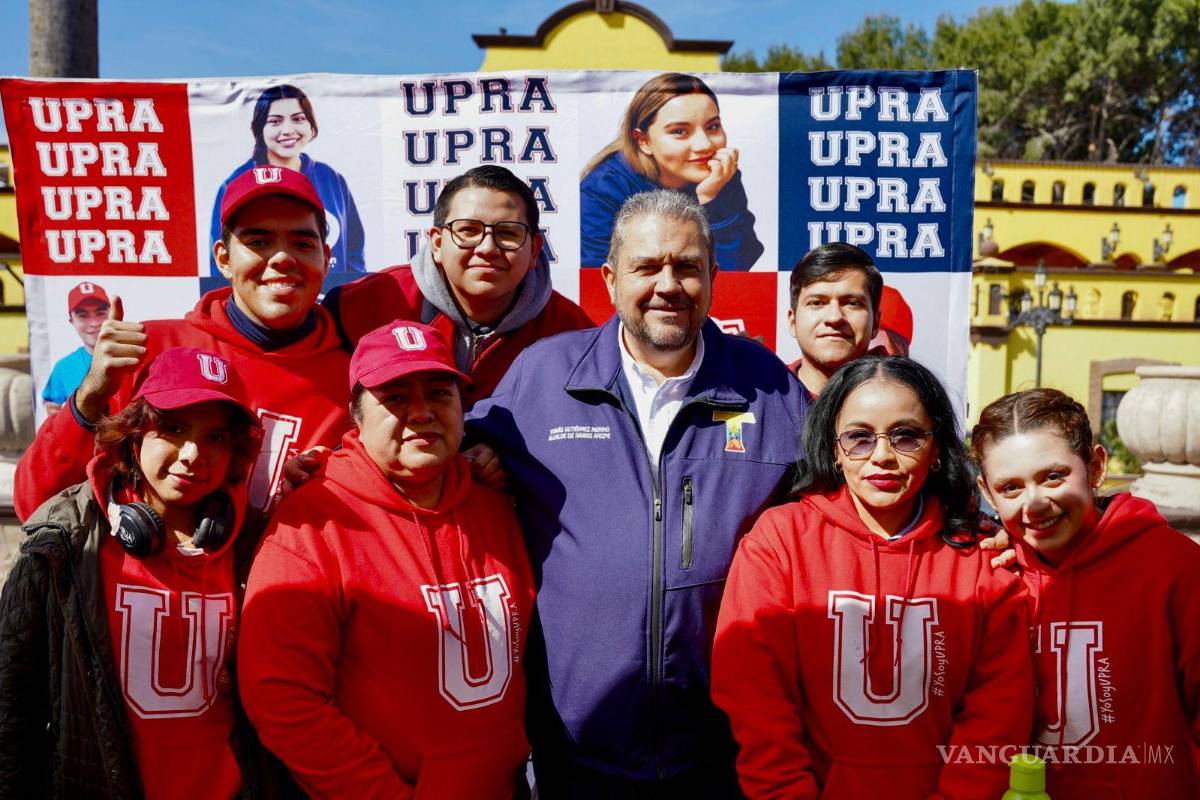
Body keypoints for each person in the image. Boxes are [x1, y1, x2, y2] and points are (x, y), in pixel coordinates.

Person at [468, 189, 809, 795]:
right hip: (577, 753)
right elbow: (440, 455)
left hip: (723, 755)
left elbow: (855, 492)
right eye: (647, 266)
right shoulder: (544, 376)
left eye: (687, 266)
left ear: (712, 275)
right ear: (610, 279)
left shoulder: (770, 388)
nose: (668, 284)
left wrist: (969, 527)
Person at [711, 356, 1035, 799]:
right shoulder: (780, 539)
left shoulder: (983, 554)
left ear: (937, 448)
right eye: (859, 438)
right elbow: (754, 697)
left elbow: (999, 710)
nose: (882, 455)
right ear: (835, 448)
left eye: (906, 436)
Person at [237, 321, 534, 799]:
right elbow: (281, 697)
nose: (421, 412)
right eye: (394, 397)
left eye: (440, 393)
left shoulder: (497, 504)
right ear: (356, 414)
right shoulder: (313, 523)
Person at [0, 347, 268, 798]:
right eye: (173, 429)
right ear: (134, 433)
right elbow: (11, 705)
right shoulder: (64, 538)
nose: (192, 455)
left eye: (216, 438)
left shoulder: (257, 545)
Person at [15, 166, 352, 520]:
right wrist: (91, 397)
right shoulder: (149, 349)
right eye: (258, 242)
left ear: (326, 258)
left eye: (302, 243)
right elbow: (35, 505)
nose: (282, 257)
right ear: (223, 258)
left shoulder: (358, 380)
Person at [971, 388, 1200, 798]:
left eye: (1053, 476)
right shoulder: (991, 572)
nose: (1035, 503)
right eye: (1010, 488)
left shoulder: (1176, 568)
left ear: (1095, 466)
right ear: (987, 493)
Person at [323, 164, 594, 405]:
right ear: (437, 243)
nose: (487, 248)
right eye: (468, 231)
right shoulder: (362, 304)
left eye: (508, 233)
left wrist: (507, 447)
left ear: (534, 250)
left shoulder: (573, 333)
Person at [581, 72, 763, 270]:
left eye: (713, 126)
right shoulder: (603, 189)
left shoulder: (720, 176)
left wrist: (712, 201)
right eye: (679, 131)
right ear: (643, 140)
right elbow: (598, 281)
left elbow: (737, 272)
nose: (704, 145)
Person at [210, 84, 365, 274]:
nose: (288, 130)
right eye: (275, 121)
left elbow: (354, 252)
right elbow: (217, 272)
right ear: (260, 128)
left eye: (298, 119)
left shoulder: (331, 179)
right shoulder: (233, 185)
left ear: (311, 124)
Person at [786, 242, 881, 397]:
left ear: (876, 323)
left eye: (852, 303)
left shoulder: (909, 398)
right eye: (817, 303)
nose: (834, 317)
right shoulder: (761, 392)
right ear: (793, 321)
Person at [42, 281, 111, 414]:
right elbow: (53, 410)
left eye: (100, 313)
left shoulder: (133, 359)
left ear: (111, 314)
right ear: (71, 321)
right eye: (83, 316)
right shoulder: (63, 368)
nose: (94, 323)